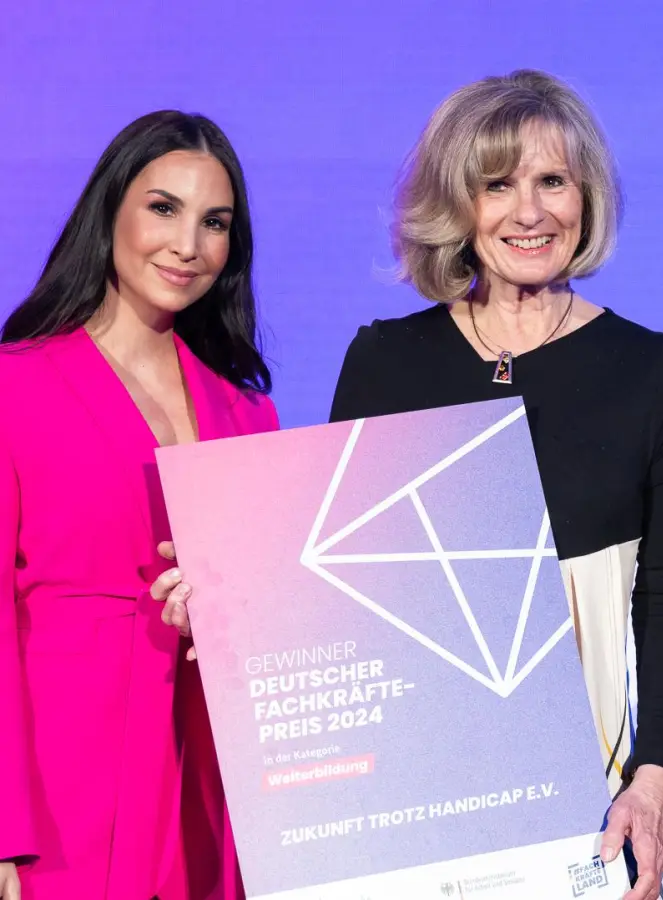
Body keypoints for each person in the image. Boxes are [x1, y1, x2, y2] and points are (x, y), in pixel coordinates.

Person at [327, 69, 663, 900]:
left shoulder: (656, 375)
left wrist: (655, 781)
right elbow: (342, 599)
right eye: (497, 184)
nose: (529, 211)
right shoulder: (384, 363)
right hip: (412, 806)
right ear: (456, 204)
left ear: (588, 198)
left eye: (552, 182)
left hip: (583, 808)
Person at [0, 111, 278, 899]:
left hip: (208, 782)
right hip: (60, 786)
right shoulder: (14, 384)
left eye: (214, 223)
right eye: (163, 208)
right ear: (110, 209)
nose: (188, 244)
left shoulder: (248, 411)